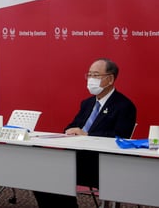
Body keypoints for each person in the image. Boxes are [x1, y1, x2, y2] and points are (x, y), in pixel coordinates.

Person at [33, 58, 137, 208]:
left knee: (55, 173)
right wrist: (70, 131)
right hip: (76, 157)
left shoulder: (124, 106)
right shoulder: (87, 103)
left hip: (101, 164)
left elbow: (120, 137)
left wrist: (88, 136)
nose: (90, 79)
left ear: (110, 79)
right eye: (89, 75)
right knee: (41, 174)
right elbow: (72, 126)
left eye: (95, 75)